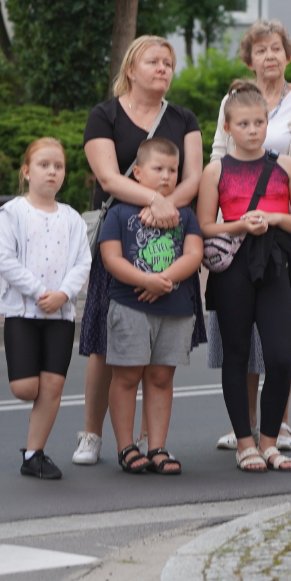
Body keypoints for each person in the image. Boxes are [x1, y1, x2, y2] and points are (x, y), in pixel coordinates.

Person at [206, 20, 291, 453]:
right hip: (239, 228)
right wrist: (235, 206)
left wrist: (283, 185)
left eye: (276, 48)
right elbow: (218, 155)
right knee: (241, 332)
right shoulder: (234, 100)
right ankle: (243, 422)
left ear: (288, 54)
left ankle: (279, 424)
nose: (270, 56)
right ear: (250, 57)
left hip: (286, 226)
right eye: (261, 49)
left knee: (285, 329)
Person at [75, 36, 204, 466]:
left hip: (171, 239)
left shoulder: (184, 118)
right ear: (131, 68)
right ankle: (93, 433)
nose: (163, 68)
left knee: (160, 352)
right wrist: (154, 201)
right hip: (120, 235)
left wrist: (169, 205)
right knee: (106, 346)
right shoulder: (104, 115)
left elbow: (193, 177)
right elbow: (109, 178)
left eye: (169, 63)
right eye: (154, 61)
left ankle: (152, 440)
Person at [198, 81, 291, 472]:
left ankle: (269, 441)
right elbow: (202, 227)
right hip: (234, 269)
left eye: (259, 122)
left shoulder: (285, 166)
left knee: (281, 356)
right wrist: (239, 225)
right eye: (244, 124)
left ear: (268, 124)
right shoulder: (215, 170)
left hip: (276, 265)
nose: (252, 130)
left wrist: (275, 218)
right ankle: (244, 442)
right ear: (228, 127)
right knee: (237, 354)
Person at [99, 137, 204, 475]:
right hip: (130, 305)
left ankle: (157, 446)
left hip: (174, 307)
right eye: (158, 169)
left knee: (161, 377)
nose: (166, 176)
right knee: (127, 376)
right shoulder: (118, 212)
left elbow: (194, 254)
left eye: (173, 170)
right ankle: (126, 446)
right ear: (138, 173)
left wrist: (167, 280)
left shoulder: (185, 214)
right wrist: (144, 281)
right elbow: (110, 258)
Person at [0, 138, 91, 480]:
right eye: (44, 165)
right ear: (26, 171)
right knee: (26, 388)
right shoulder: (12, 213)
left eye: (58, 166)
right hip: (23, 312)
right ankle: (33, 444)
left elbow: (83, 262)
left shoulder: (73, 219)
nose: (52, 172)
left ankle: (34, 454)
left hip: (60, 315)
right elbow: (3, 260)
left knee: (52, 387)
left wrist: (64, 294)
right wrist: (39, 292)